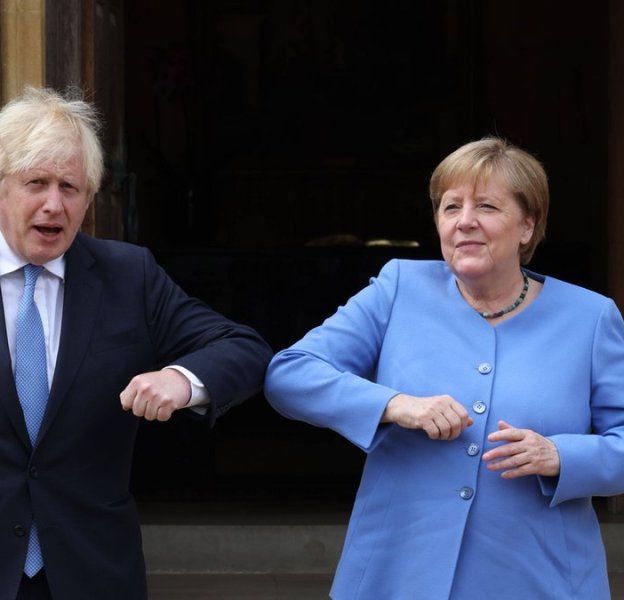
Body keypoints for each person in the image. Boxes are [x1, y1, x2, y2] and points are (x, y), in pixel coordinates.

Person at [0, 86, 271, 600]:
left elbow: (243, 347)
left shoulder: (130, 277)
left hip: (88, 575)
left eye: (70, 187)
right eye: (36, 183)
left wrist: (182, 379)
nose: (53, 205)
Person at [264, 137, 624, 599]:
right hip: (398, 573)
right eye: (451, 207)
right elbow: (290, 373)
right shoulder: (399, 287)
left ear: (527, 227)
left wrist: (562, 457)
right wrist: (395, 405)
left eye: (488, 207)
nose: (465, 222)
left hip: (539, 577)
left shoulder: (590, 317)